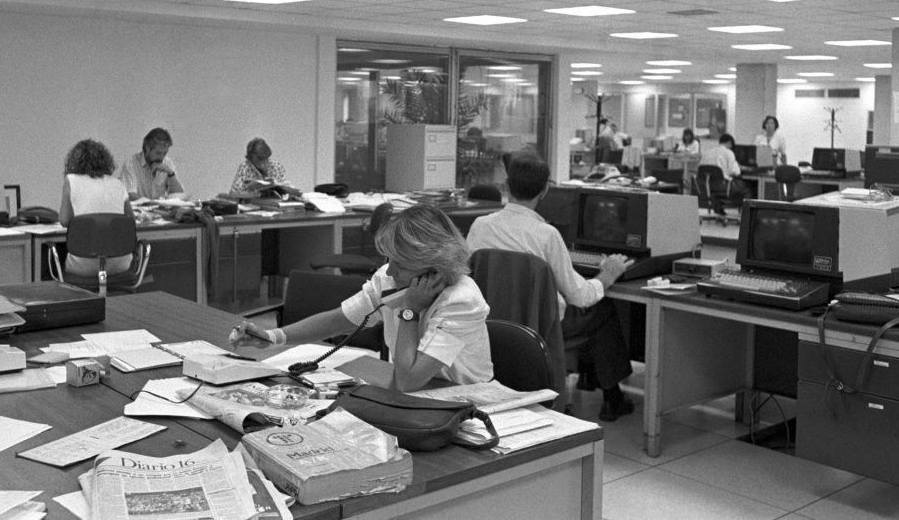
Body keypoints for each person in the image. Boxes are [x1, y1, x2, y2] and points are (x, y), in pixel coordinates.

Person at [231, 205, 493, 391]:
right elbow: (338, 320)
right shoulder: (392, 279)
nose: (389, 270)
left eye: (400, 263)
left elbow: (408, 379)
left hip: (465, 403)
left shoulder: (461, 302)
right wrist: (274, 337)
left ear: (433, 266)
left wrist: (410, 310)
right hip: (421, 398)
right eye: (389, 259)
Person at [466, 153, 635, 422]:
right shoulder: (546, 235)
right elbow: (580, 296)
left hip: (493, 324)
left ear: (506, 186)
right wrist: (607, 274)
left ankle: (592, 385)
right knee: (601, 309)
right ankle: (613, 399)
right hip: (540, 327)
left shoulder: (480, 226)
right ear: (545, 190)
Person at [59, 139, 134, 276]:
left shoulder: (71, 180)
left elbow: (64, 220)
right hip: (120, 263)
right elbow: (130, 219)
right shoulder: (118, 184)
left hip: (83, 265)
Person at [119, 127, 184, 200]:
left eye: (165, 153)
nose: (162, 157)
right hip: (138, 210)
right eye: (158, 153)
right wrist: (152, 204)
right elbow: (130, 195)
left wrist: (170, 174)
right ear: (147, 148)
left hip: (160, 210)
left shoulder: (167, 162)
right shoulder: (131, 164)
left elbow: (178, 195)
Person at [699, 133, 748, 215]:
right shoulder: (729, 153)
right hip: (723, 186)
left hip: (706, 185)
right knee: (746, 188)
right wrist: (739, 167)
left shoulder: (707, 152)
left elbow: (700, 168)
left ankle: (719, 210)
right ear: (729, 143)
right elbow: (735, 172)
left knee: (722, 187)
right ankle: (746, 215)